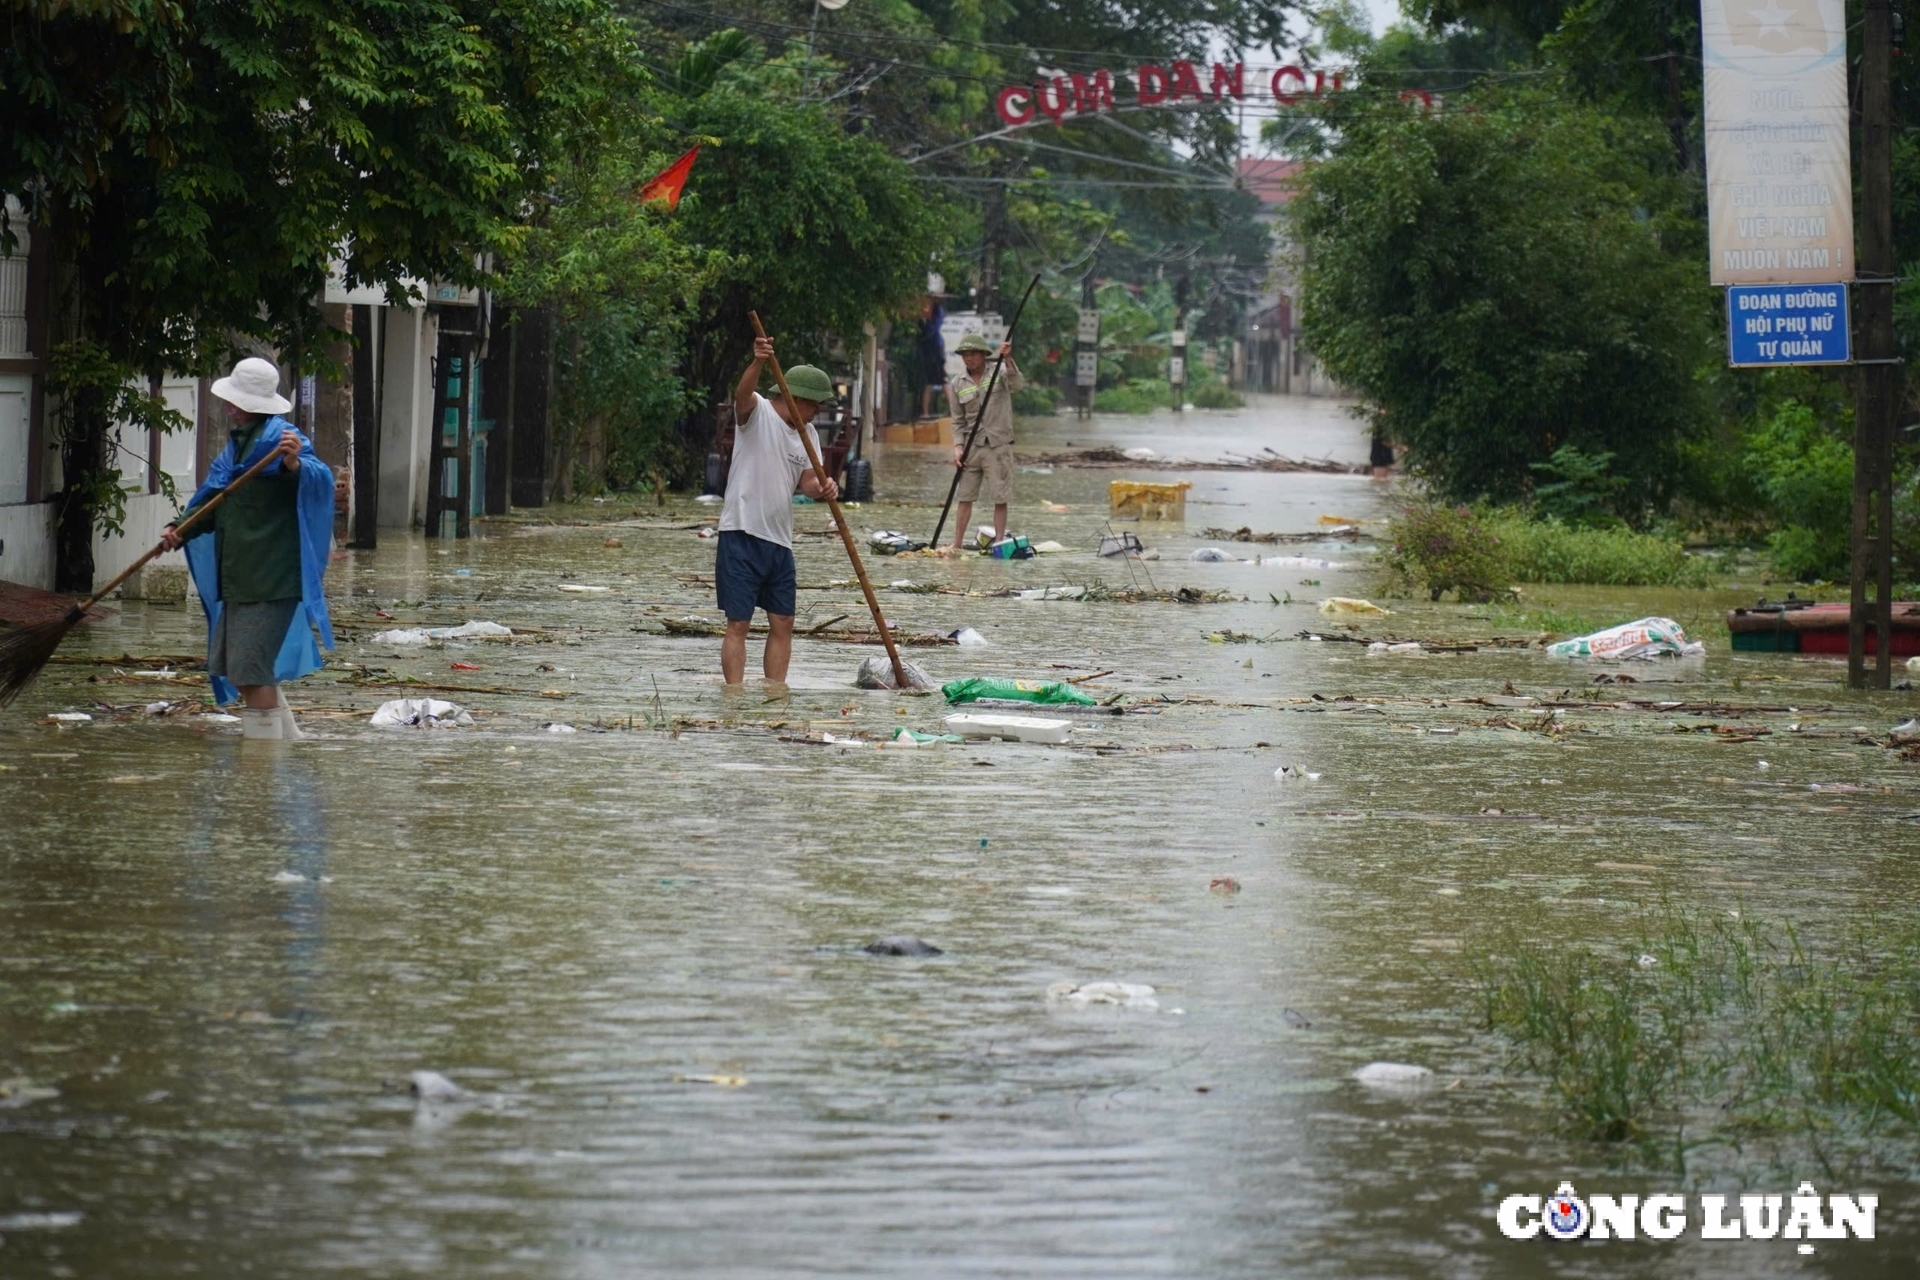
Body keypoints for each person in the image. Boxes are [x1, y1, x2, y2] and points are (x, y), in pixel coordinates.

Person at [161, 357, 335, 740]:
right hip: (239, 578)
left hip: (271, 580)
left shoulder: (282, 440)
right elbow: (213, 502)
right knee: (235, 668)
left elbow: (318, 478)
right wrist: (179, 529)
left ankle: (262, 772)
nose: (227, 407)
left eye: (234, 401)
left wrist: (292, 465)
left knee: (250, 671)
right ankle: (289, 745)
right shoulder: (235, 450)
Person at [718, 336, 839, 685]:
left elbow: (808, 485)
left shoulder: (809, 433)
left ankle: (775, 692)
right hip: (742, 532)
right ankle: (735, 696)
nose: (818, 411)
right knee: (739, 622)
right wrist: (757, 361)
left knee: (783, 621)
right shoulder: (758, 413)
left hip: (779, 541)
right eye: (815, 404)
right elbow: (741, 396)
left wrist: (825, 487)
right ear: (794, 398)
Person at [947, 333, 1023, 549]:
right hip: (972, 448)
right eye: (965, 355)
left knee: (1000, 497)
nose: (969, 359)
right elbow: (958, 421)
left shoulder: (999, 372)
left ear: (983, 355)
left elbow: (1017, 385)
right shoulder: (957, 383)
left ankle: (999, 543)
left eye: (973, 354)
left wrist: (1008, 359)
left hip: (999, 445)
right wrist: (958, 448)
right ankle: (957, 543)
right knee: (964, 496)